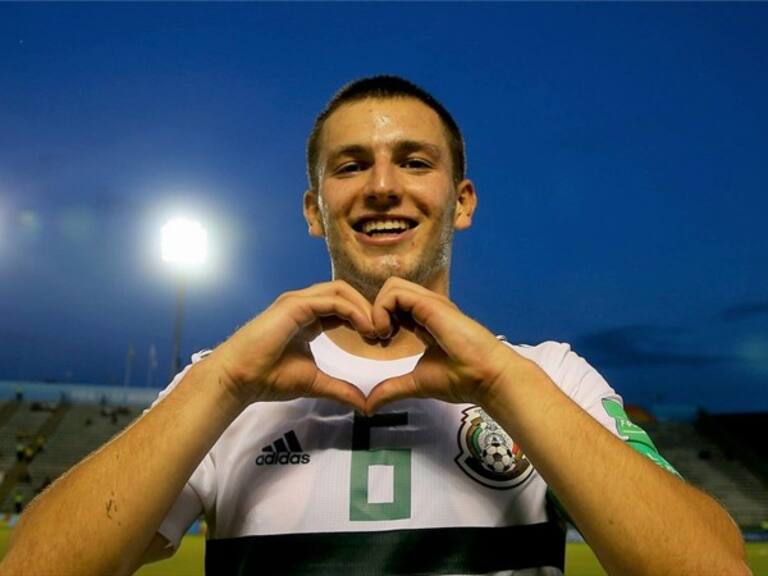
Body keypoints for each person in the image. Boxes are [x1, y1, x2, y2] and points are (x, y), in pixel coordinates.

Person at [0, 76, 749, 576]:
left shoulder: (548, 374)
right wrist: (224, 381)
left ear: (462, 202)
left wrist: (500, 382)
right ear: (312, 209)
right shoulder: (223, 380)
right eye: (351, 165)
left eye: (412, 161)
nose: (383, 185)